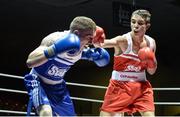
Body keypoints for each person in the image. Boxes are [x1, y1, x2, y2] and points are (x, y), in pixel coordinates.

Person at [24, 16, 110, 116]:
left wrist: (95, 55)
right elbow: (30, 62)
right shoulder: (55, 39)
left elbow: (90, 54)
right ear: (76, 34)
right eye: (89, 37)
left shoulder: (83, 47)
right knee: (46, 112)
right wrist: (54, 50)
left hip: (58, 87)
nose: (91, 42)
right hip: (38, 81)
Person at [98, 9, 157, 116]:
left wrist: (151, 61)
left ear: (147, 26)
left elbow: (151, 71)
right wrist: (96, 40)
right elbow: (105, 43)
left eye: (140, 23)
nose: (135, 25)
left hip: (141, 87)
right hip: (119, 86)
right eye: (133, 22)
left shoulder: (151, 43)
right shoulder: (123, 40)